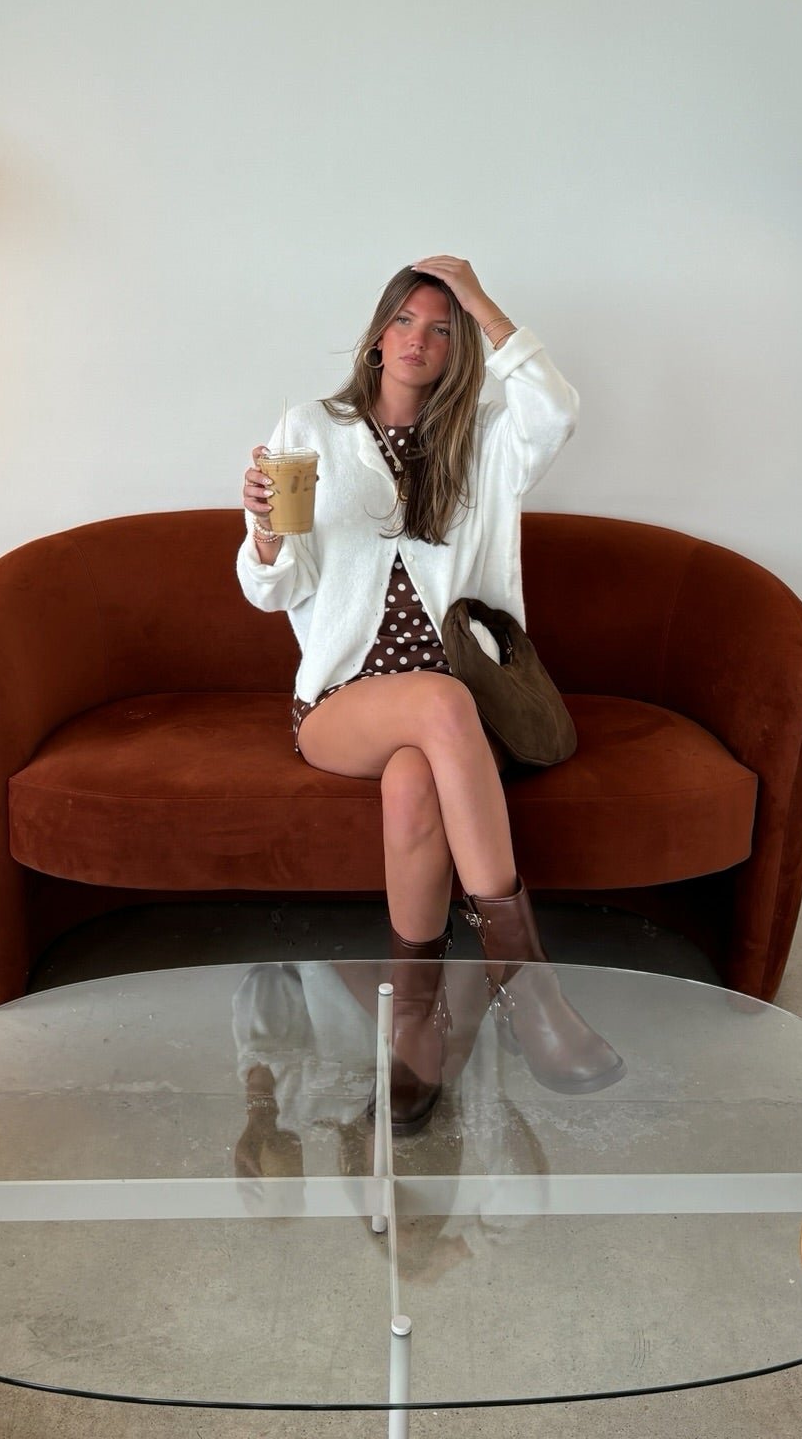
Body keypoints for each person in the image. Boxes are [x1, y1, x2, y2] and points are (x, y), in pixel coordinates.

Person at [236, 255, 623, 1134]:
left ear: (458, 349)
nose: (419, 339)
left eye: (442, 329)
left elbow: (556, 411)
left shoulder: (483, 439)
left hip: (452, 708)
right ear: (378, 337)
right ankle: (527, 986)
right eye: (405, 321)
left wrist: (480, 298)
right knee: (440, 707)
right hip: (343, 702)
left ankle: (414, 1027)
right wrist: (263, 532)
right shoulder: (311, 428)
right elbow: (275, 589)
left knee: (417, 778)